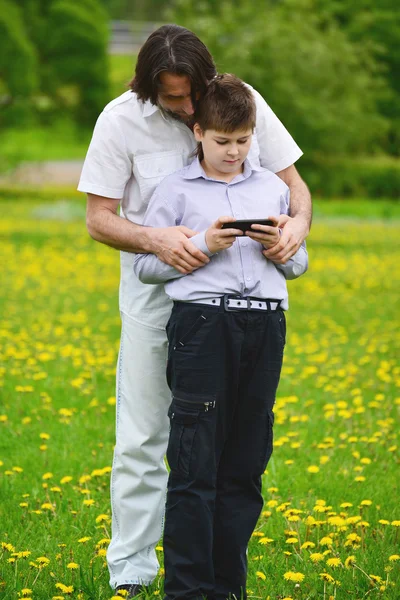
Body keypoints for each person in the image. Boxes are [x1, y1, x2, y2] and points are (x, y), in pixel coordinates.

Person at [78, 24, 311, 596]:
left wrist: (297, 231)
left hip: (240, 309)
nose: (184, 109)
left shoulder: (239, 101)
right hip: (155, 298)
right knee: (142, 435)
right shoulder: (119, 120)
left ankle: (217, 573)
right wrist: (158, 241)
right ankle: (131, 570)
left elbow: (294, 189)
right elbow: (98, 217)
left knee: (227, 444)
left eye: (190, 95)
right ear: (148, 87)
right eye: (172, 99)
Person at [133, 73, 308, 600]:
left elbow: (297, 263)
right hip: (204, 328)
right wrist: (204, 245)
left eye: (243, 140)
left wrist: (285, 251)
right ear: (199, 134)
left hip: (265, 326)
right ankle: (187, 590)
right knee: (194, 464)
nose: (234, 152)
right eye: (223, 141)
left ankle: (228, 587)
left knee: (246, 462)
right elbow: (146, 266)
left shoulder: (273, 188)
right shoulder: (176, 191)